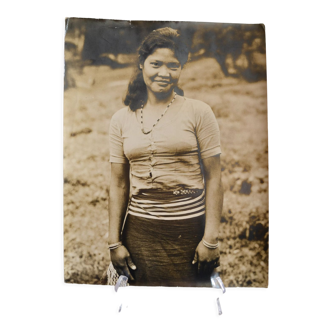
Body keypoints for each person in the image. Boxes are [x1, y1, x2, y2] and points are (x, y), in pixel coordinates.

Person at [107, 27, 223, 287]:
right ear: (141, 64)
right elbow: (118, 183)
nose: (164, 73)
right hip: (139, 234)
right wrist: (114, 243)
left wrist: (210, 240)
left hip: (189, 232)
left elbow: (214, 178)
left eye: (174, 65)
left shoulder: (199, 112)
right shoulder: (121, 119)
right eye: (156, 64)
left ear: (181, 68)